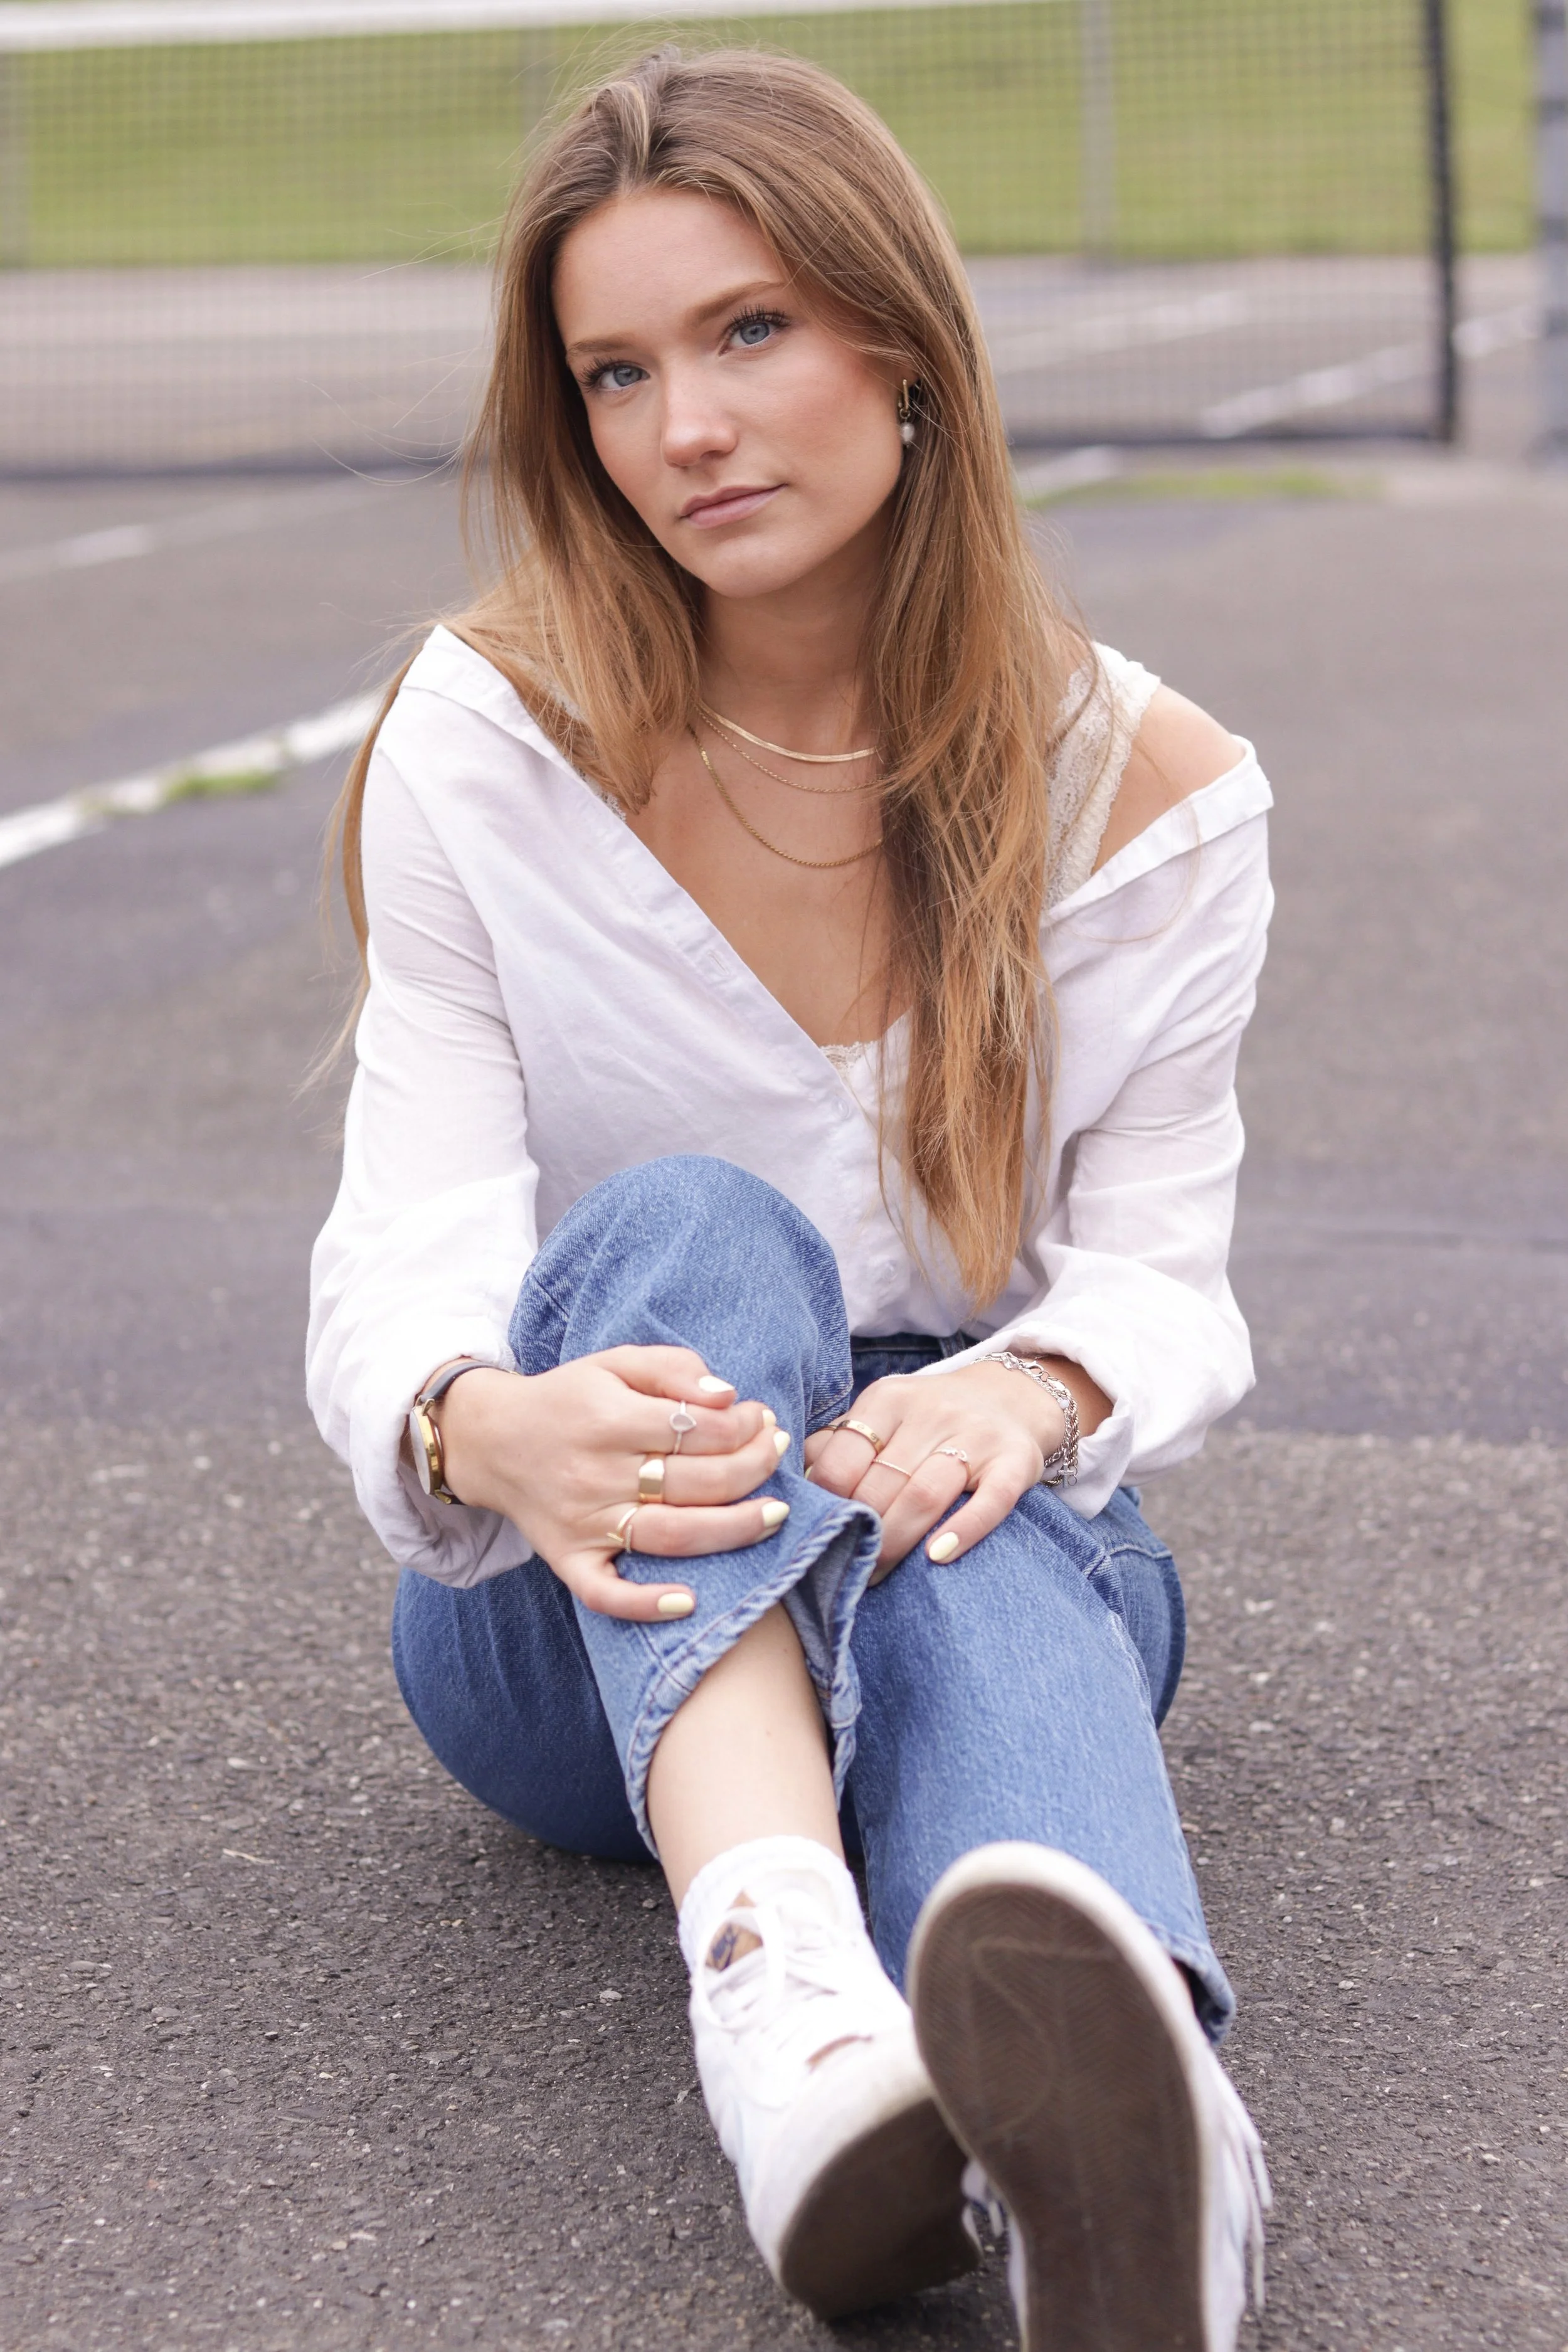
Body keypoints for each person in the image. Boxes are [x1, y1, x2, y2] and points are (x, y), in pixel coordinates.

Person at [307, 45, 1274, 2350]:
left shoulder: (1147, 791)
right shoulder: (484, 734)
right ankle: (792, 2026)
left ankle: (1154, 2176)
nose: (684, 428)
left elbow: (1163, 1278)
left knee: (954, 1471)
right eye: (614, 372)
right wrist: (470, 1420)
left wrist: (1031, 1389)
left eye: (748, 333)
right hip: (578, 1598)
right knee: (692, 1227)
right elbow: (405, 1229)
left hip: (974, 1538)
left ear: (903, 351)